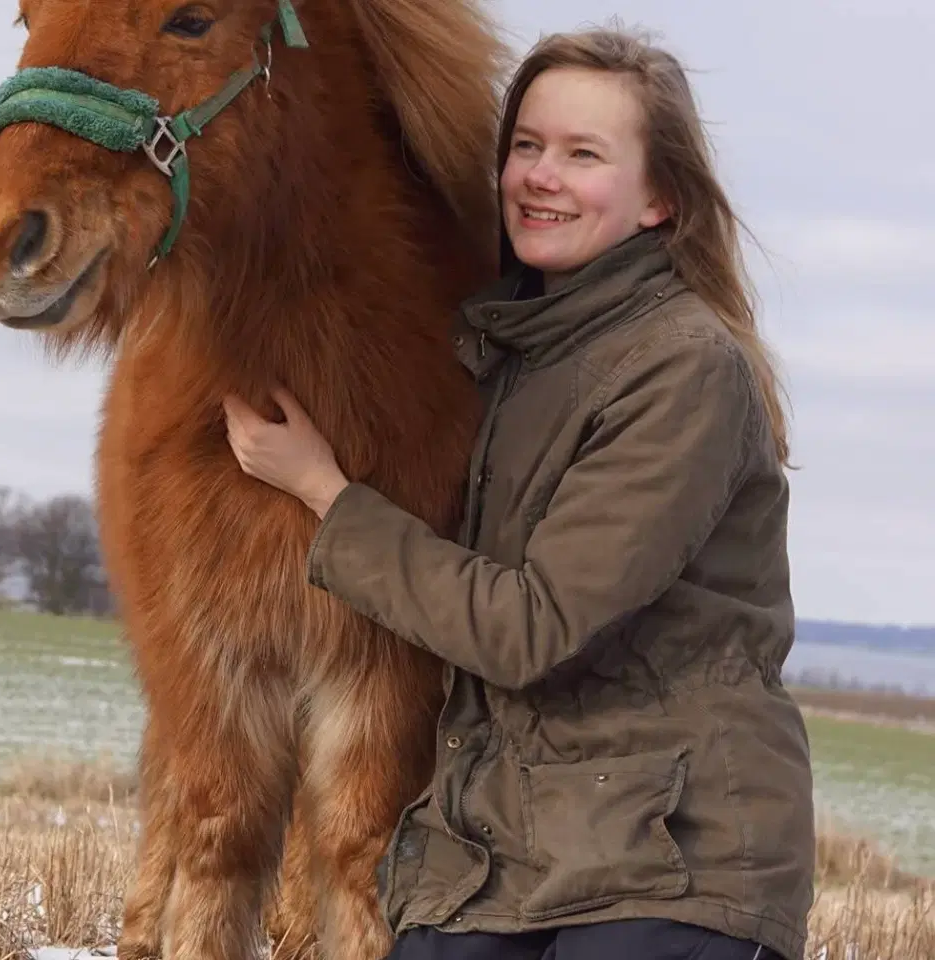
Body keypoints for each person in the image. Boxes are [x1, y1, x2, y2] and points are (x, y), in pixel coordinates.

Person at [222, 25, 816, 960]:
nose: (541, 176)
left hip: (668, 869)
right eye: (527, 146)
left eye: (584, 155)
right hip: (495, 865)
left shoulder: (681, 371)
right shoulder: (503, 353)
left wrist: (327, 493)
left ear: (660, 198)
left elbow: (532, 629)